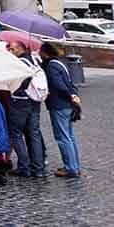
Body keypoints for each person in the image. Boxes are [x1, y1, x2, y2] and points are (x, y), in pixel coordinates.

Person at [39, 41, 82, 178]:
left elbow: (58, 84)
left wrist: (69, 96)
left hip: (59, 104)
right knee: (69, 136)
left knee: (63, 137)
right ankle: (75, 165)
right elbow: (70, 83)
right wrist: (73, 96)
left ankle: (70, 168)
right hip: (67, 104)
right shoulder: (60, 63)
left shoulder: (51, 66)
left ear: (45, 53)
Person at [3, 41, 46, 178]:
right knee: (34, 134)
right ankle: (38, 168)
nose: (10, 51)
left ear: (21, 48)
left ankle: (24, 167)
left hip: (19, 102)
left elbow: (18, 83)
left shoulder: (19, 63)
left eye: (13, 48)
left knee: (16, 134)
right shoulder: (34, 60)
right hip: (34, 102)